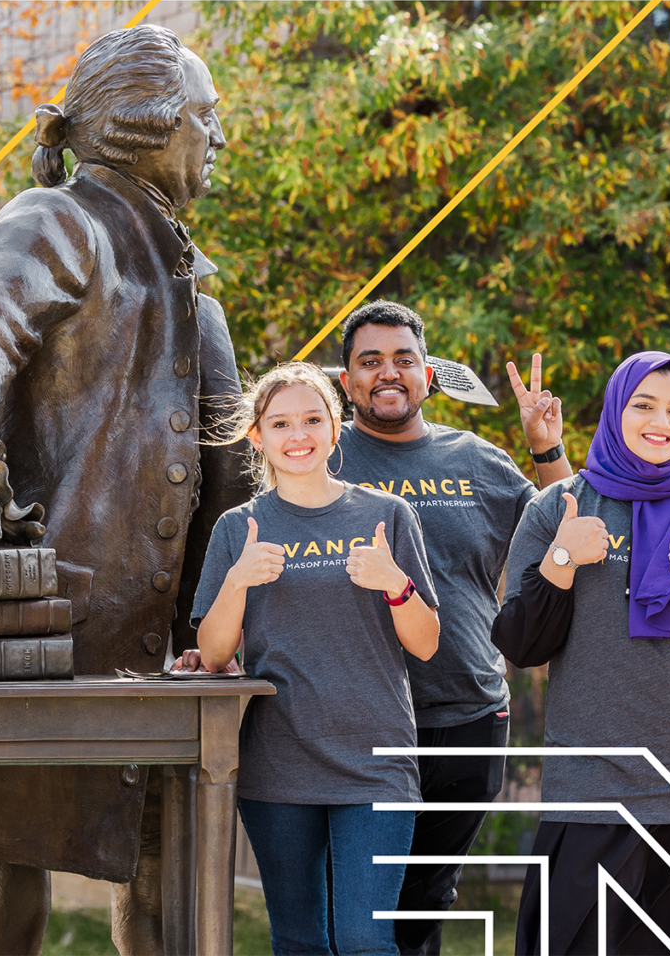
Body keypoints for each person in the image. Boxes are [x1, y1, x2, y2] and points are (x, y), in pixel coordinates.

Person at [0, 24, 251, 956]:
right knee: (7, 833)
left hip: (165, 636)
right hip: (51, 615)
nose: (218, 137)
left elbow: (221, 467)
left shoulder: (182, 280)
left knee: (158, 846)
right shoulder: (64, 218)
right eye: (205, 118)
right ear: (148, 127)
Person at [329, 300, 572, 955]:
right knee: (353, 912)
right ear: (346, 380)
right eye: (370, 361)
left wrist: (546, 446)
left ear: (429, 374)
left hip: (465, 718)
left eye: (404, 359)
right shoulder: (317, 462)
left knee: (422, 909)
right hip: (352, 723)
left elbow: (567, 532)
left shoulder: (479, 462)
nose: (388, 373)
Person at [193, 361, 440, 955]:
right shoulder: (238, 528)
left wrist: (394, 583)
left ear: (335, 428)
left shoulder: (387, 516)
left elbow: (427, 642)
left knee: (363, 939)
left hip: (375, 760)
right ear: (259, 438)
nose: (297, 435)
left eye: (311, 419)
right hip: (278, 761)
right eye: (280, 423)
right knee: (299, 940)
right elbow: (213, 653)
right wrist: (238, 582)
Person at [491, 350, 670, 956]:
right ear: (615, 409)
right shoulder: (561, 506)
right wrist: (562, 561)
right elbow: (520, 643)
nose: (662, 421)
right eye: (644, 404)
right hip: (592, 790)